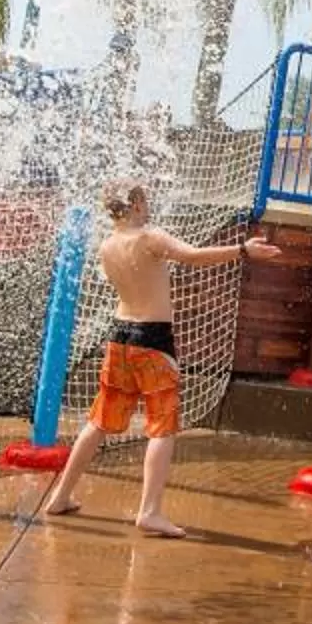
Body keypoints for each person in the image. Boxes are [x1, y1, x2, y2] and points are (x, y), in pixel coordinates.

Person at [40, 182, 281, 538]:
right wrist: (243, 249)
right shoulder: (149, 237)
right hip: (152, 340)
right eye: (146, 200)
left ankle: (60, 495)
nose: (150, 206)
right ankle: (150, 511)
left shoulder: (107, 246)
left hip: (119, 339)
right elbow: (193, 256)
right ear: (136, 203)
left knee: (98, 422)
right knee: (162, 427)